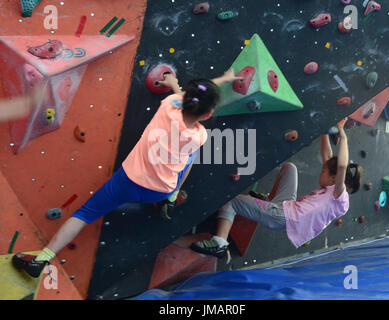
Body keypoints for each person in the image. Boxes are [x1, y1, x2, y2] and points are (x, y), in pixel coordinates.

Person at [12, 69, 241, 278]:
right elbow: (194, 101)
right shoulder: (200, 135)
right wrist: (223, 81)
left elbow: (186, 95)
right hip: (160, 190)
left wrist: (174, 83)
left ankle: (42, 259)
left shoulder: (169, 105)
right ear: (207, 115)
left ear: (185, 100)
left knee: (85, 214)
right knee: (190, 157)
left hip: (128, 181)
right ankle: (171, 198)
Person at [191, 118, 362, 257]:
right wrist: (325, 130)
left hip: (281, 217)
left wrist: (344, 136)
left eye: (324, 171)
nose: (321, 171)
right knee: (290, 169)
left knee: (232, 202)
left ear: (334, 178)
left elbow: (340, 166)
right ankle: (268, 200)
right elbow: (328, 157)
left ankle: (220, 242)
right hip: (288, 207)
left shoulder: (340, 195)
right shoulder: (333, 189)